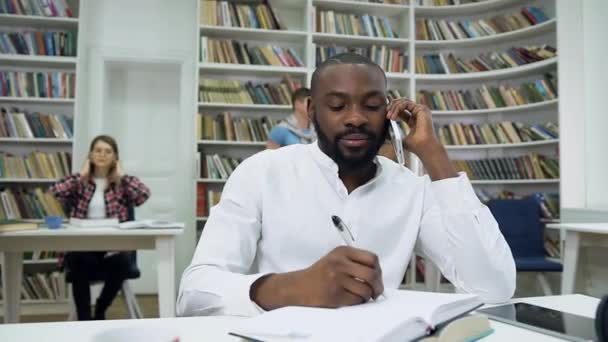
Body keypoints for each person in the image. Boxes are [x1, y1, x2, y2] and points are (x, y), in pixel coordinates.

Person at [177, 53, 515, 317]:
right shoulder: (262, 172)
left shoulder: (410, 188)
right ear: (311, 111)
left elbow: (493, 288)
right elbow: (194, 292)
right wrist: (293, 288)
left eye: (371, 105)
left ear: (389, 112)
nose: (355, 117)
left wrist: (435, 156)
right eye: (337, 105)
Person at [49, 135, 151, 320]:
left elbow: (143, 195)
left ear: (115, 157)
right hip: (83, 249)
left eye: (108, 151)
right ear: (90, 154)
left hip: (112, 250)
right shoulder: (80, 183)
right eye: (98, 150)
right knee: (77, 259)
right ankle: (84, 319)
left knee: (122, 260)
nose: (102, 155)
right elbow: (55, 192)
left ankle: (101, 309)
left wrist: (123, 177)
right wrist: (80, 176)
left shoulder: (120, 184)